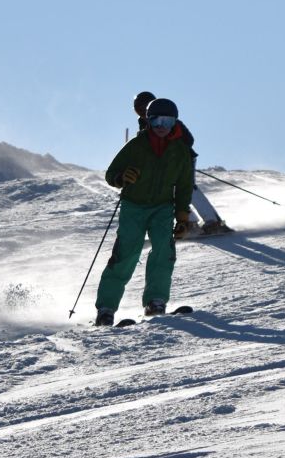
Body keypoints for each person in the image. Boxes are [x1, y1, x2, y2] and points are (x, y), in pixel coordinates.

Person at [94, 97, 196, 326]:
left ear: (175, 123)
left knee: (163, 250)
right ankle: (106, 308)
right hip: (134, 206)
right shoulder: (136, 146)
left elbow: (184, 187)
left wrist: (182, 218)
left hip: (162, 207)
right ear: (148, 121)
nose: (161, 126)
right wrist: (122, 177)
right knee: (126, 253)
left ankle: (156, 301)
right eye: (156, 120)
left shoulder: (180, 151)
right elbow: (111, 174)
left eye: (167, 121)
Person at [132, 91, 233, 238]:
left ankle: (212, 222)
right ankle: (190, 222)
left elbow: (189, 139)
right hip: (165, 163)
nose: (141, 112)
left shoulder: (169, 120)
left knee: (188, 188)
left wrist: (174, 149)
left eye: (143, 108)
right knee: (171, 191)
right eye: (138, 109)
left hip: (183, 159)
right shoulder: (144, 124)